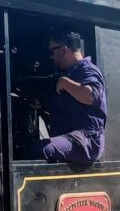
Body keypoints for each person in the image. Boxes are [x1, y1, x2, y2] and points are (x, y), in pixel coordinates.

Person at [28, 31, 106, 164]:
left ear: (64, 50)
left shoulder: (87, 70)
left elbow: (90, 96)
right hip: (70, 138)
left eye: (52, 51)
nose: (51, 56)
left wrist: (65, 82)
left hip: (86, 141)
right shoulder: (68, 73)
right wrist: (43, 104)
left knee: (41, 149)